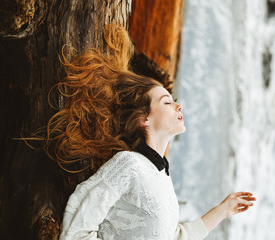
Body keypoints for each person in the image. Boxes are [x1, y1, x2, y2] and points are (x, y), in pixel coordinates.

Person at [43, 25, 255, 239]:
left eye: (175, 102)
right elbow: (76, 232)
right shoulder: (129, 164)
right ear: (144, 119)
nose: (178, 107)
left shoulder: (161, 175)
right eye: (167, 102)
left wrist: (223, 210)